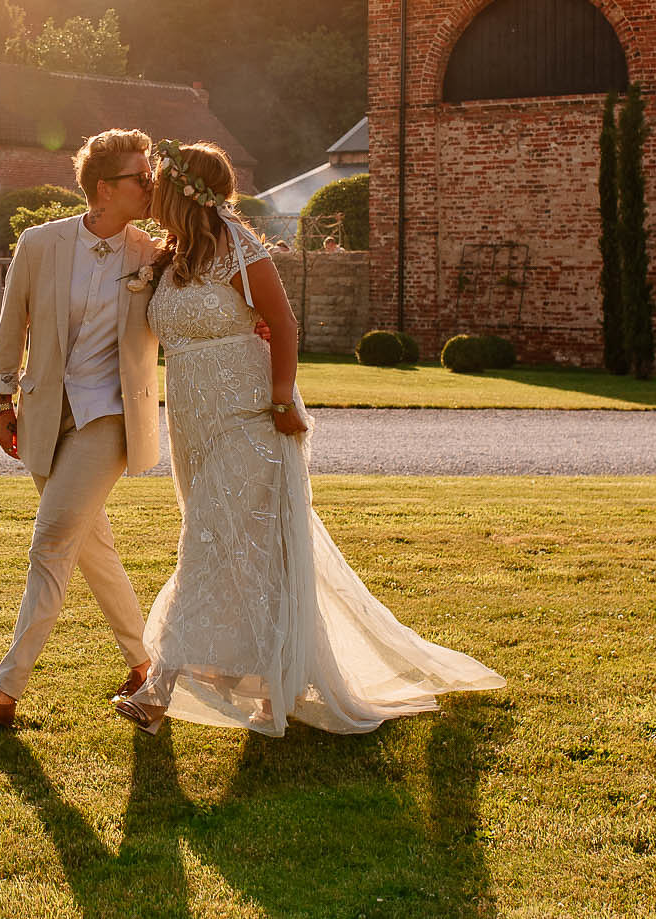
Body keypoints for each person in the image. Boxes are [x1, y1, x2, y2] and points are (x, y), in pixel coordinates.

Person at [113, 140, 504, 737]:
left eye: (159, 183)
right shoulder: (171, 257)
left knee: (208, 544)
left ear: (184, 191)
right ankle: (274, 682)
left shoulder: (241, 250)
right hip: (193, 421)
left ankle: (158, 689)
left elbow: (286, 325)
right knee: (248, 553)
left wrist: (280, 399)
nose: (151, 192)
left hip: (253, 419)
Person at [0, 130, 164, 729]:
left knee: (51, 543)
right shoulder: (40, 244)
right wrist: (2, 399)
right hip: (46, 414)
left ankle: (5, 688)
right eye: (140, 179)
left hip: (110, 418)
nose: (150, 186)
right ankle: (146, 663)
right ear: (104, 188)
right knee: (92, 548)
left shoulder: (151, 255)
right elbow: (11, 319)